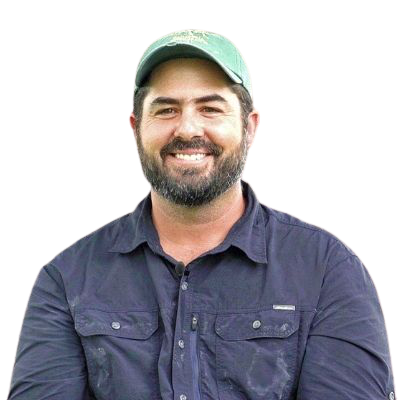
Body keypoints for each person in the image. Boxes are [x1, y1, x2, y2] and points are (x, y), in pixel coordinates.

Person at [8, 28, 396, 400]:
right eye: (166, 110)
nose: (187, 128)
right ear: (135, 129)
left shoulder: (328, 270)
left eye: (210, 108)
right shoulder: (66, 278)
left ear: (250, 127)